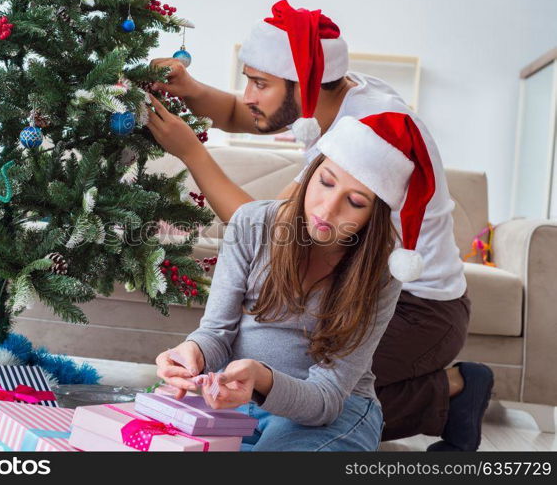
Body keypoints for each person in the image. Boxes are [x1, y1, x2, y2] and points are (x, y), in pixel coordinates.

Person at [146, 0, 494, 451]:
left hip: (417, 304)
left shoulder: (367, 126)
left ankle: (455, 390)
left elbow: (279, 232)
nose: (247, 94)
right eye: (249, 79)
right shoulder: (330, 93)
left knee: (327, 387)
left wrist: (192, 153)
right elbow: (242, 113)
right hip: (349, 279)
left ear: (304, 82)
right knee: (283, 380)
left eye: (259, 82)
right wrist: (190, 89)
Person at [157, 112, 440, 451]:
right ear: (310, 174)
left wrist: (262, 379)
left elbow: (328, 398)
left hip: (333, 411)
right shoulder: (253, 224)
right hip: (232, 401)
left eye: (355, 201)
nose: (328, 208)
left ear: (373, 216)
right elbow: (216, 333)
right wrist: (193, 352)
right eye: (326, 181)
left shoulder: (380, 269)